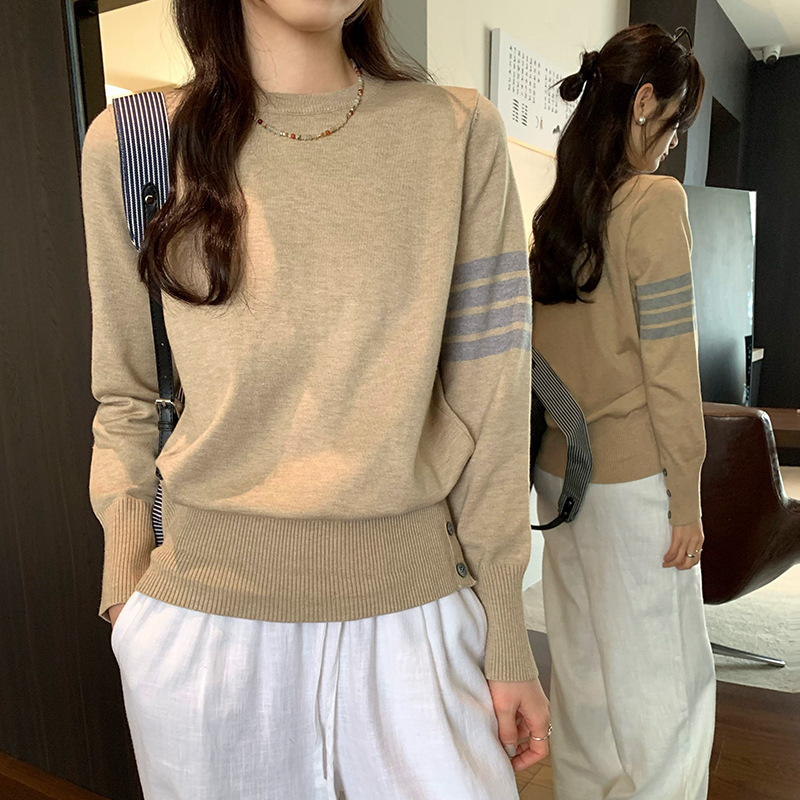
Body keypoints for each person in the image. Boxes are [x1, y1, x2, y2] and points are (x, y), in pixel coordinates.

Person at [80, 1, 550, 797]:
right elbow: (125, 393)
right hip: (202, 634)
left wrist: (507, 628)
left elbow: (494, 404)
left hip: (419, 621)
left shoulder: (456, 133)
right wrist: (128, 590)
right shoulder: (135, 144)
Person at [529, 23, 716, 800]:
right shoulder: (653, 203)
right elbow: (671, 371)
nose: (673, 143)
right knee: (667, 688)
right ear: (644, 104)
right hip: (634, 484)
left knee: (584, 673)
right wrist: (688, 496)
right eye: (676, 121)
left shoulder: (558, 214)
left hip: (560, 479)